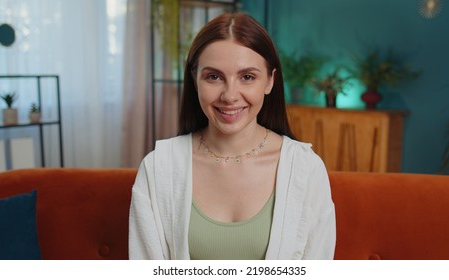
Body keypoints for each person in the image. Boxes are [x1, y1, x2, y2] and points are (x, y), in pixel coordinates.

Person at [129, 12, 336, 260]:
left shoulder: (307, 169)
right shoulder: (158, 167)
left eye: (247, 77)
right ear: (195, 80)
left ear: (270, 81)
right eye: (214, 77)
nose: (230, 95)